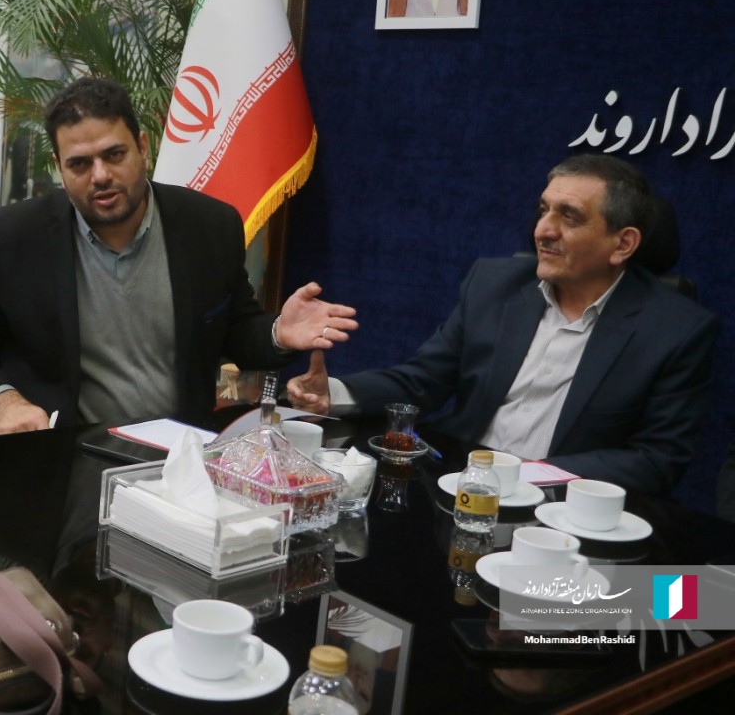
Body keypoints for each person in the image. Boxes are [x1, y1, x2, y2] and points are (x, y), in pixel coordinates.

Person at [0, 77, 357, 434]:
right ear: (59, 167)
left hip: (178, 455)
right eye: (80, 164)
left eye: (114, 155)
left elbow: (236, 331)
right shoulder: (15, 236)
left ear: (143, 148)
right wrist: (4, 401)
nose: (101, 176)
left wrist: (279, 331)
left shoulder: (208, 225)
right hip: (62, 453)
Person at [287, 154, 718, 495]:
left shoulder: (675, 329)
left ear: (622, 244)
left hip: (562, 509)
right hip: (456, 483)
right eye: (543, 210)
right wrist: (332, 394)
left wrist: (527, 475)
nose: (543, 230)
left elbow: (656, 460)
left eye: (569, 216)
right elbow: (423, 380)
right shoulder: (494, 284)